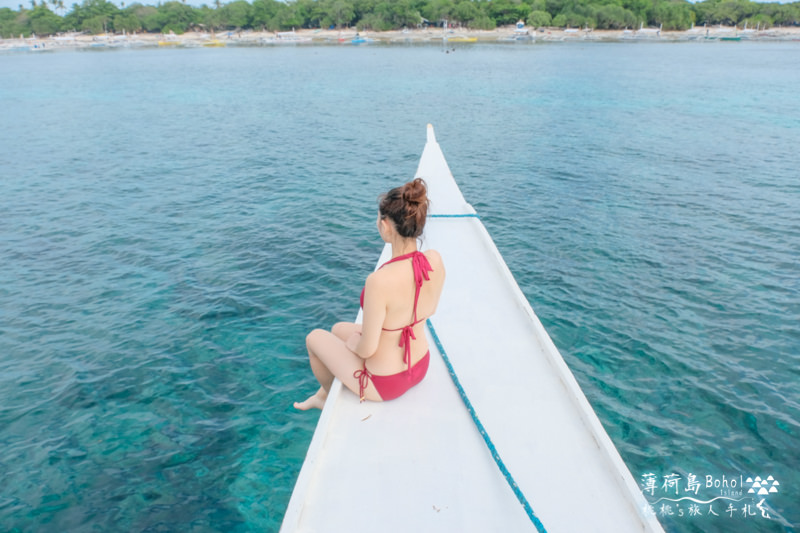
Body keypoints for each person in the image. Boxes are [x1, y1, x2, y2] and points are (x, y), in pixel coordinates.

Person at [294, 178, 445, 410]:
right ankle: (322, 395)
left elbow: (367, 349)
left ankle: (324, 398)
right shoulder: (434, 260)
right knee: (337, 330)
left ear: (385, 226)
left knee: (314, 337)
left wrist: (356, 345)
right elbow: (429, 308)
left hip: (386, 383)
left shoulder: (379, 281)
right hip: (420, 365)